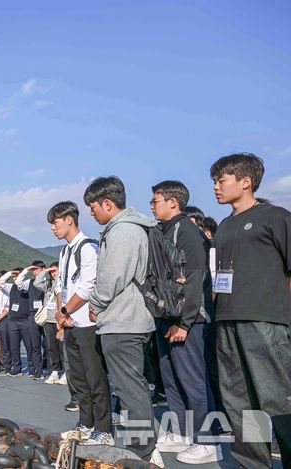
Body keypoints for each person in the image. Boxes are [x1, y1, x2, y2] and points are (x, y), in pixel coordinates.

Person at [210, 153, 291, 468]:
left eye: (222, 180)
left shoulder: (275, 216)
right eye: (215, 181)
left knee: (277, 399)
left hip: (265, 320)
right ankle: (253, 463)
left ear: (246, 182)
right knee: (240, 401)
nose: (216, 186)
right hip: (227, 320)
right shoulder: (225, 225)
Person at [84, 177, 163, 465]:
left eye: (93, 207)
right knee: (133, 388)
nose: (92, 213)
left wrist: (95, 304)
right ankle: (140, 444)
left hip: (123, 321)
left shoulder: (123, 231)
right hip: (127, 320)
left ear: (107, 203)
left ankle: (140, 450)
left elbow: (112, 277)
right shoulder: (131, 228)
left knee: (130, 390)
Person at [149, 181, 222, 464]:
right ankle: (180, 432)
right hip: (167, 317)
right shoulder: (161, 232)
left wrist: (184, 321)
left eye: (156, 201)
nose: (153, 206)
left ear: (172, 202)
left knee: (194, 380)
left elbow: (195, 280)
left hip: (188, 320)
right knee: (171, 378)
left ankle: (209, 441)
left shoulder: (189, 233)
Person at [49, 201, 112, 446]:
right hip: (69, 323)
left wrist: (65, 310)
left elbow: (87, 287)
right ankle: (86, 423)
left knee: (95, 376)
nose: (53, 228)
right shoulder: (64, 251)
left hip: (87, 322)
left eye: (56, 222)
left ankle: (104, 428)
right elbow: (60, 287)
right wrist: (59, 314)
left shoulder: (88, 248)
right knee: (77, 378)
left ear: (69, 220)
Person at [13, 261, 46, 379]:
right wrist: (26, 270)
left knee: (49, 345)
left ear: (43, 269)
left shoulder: (48, 282)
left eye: (36, 269)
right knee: (35, 345)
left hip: (47, 314)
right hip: (33, 314)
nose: (35, 272)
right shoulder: (30, 282)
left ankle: (54, 370)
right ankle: (38, 371)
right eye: (34, 270)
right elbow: (18, 282)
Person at [33, 262, 64, 384]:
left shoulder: (65, 283)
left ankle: (67, 373)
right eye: (52, 272)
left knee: (63, 348)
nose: (54, 273)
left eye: (56, 271)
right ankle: (54, 372)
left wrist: (59, 276)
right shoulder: (48, 284)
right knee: (51, 348)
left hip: (61, 321)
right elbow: (36, 283)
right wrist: (45, 271)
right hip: (48, 320)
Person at [0, 267, 31, 377]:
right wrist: (9, 273)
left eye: (17, 275)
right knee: (14, 346)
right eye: (14, 276)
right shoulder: (10, 287)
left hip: (25, 320)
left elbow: (19, 282)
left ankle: (33, 368)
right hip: (12, 320)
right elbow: (0, 282)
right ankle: (17, 368)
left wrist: (22, 273)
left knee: (29, 345)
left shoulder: (26, 285)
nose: (15, 277)